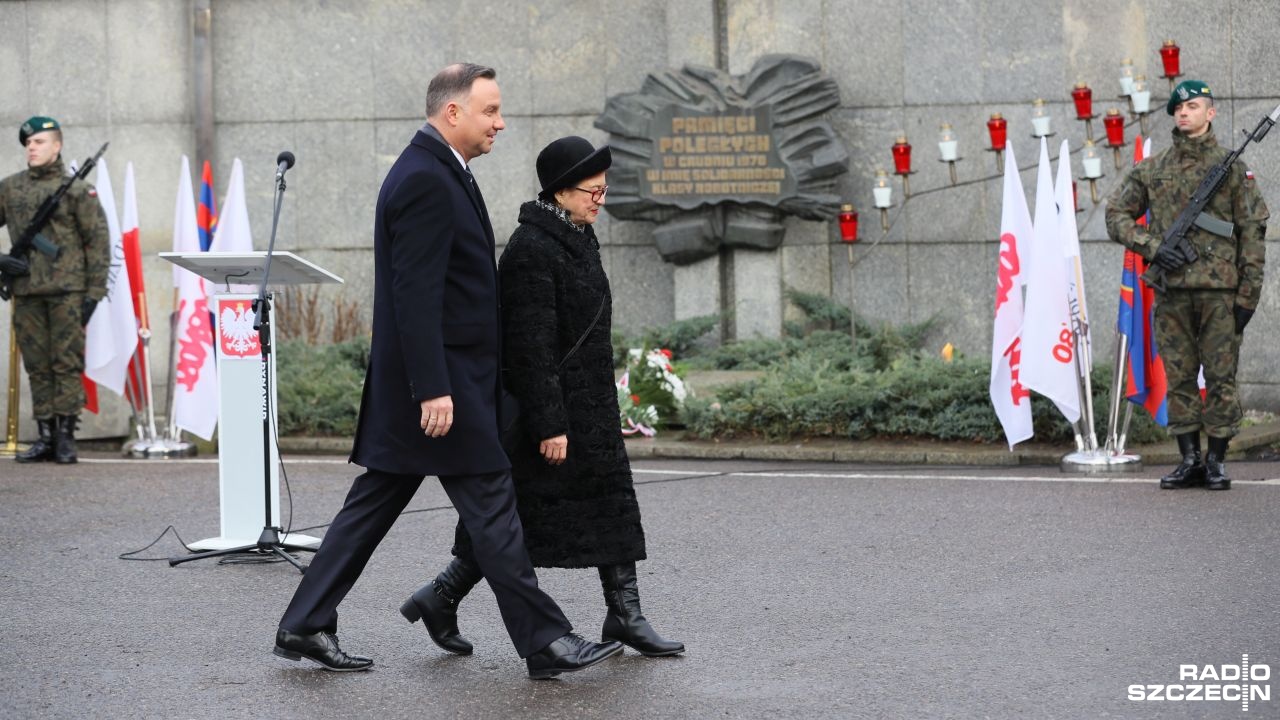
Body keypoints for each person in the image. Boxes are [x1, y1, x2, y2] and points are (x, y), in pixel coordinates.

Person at [273, 64, 622, 679]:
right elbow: (415, 296)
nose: (501, 122)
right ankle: (545, 641)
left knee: (372, 508)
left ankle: (304, 623)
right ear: (452, 112)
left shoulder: (439, 170)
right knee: (493, 509)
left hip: (438, 388)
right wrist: (432, 387)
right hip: (443, 391)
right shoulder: (425, 179)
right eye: (490, 110)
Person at [405, 136, 684, 659]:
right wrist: (550, 424)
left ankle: (625, 614)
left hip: (591, 408)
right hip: (554, 412)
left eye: (604, 190)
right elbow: (529, 347)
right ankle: (441, 596)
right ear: (559, 191)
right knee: (518, 519)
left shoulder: (577, 236)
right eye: (592, 191)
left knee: (611, 507)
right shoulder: (531, 249)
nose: (600, 200)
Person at [1106, 80, 1269, 491]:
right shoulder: (1153, 168)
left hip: (1220, 294)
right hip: (1172, 291)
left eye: (1193, 106)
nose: (1184, 112)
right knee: (1178, 377)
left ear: (1210, 113)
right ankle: (1190, 460)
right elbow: (1115, 214)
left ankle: (1216, 461)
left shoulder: (1232, 168)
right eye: (1179, 108)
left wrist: (1249, 294)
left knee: (1221, 377)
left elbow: (1252, 233)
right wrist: (1154, 247)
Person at [0, 116, 109, 464]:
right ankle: (45, 434)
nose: (31, 148)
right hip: (27, 291)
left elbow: (98, 243)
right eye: (28, 143)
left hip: (68, 292)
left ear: (57, 146)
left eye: (39, 142)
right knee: (37, 365)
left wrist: (94, 293)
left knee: (66, 363)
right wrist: (2, 261)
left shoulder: (77, 191)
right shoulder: (10, 188)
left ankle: (65, 436)